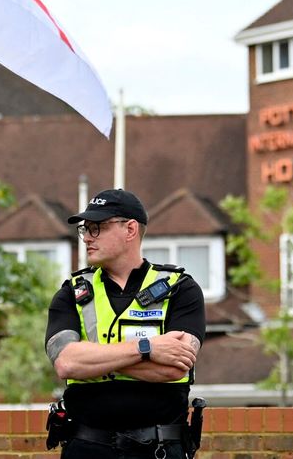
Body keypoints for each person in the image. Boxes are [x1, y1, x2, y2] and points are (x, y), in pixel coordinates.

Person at [45, 188, 206, 458]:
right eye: (85, 229)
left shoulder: (181, 289)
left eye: (96, 228)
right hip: (87, 448)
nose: (86, 237)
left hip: (159, 449)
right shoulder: (71, 292)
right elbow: (67, 363)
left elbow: (175, 369)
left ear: (130, 229)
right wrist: (147, 349)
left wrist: (96, 361)